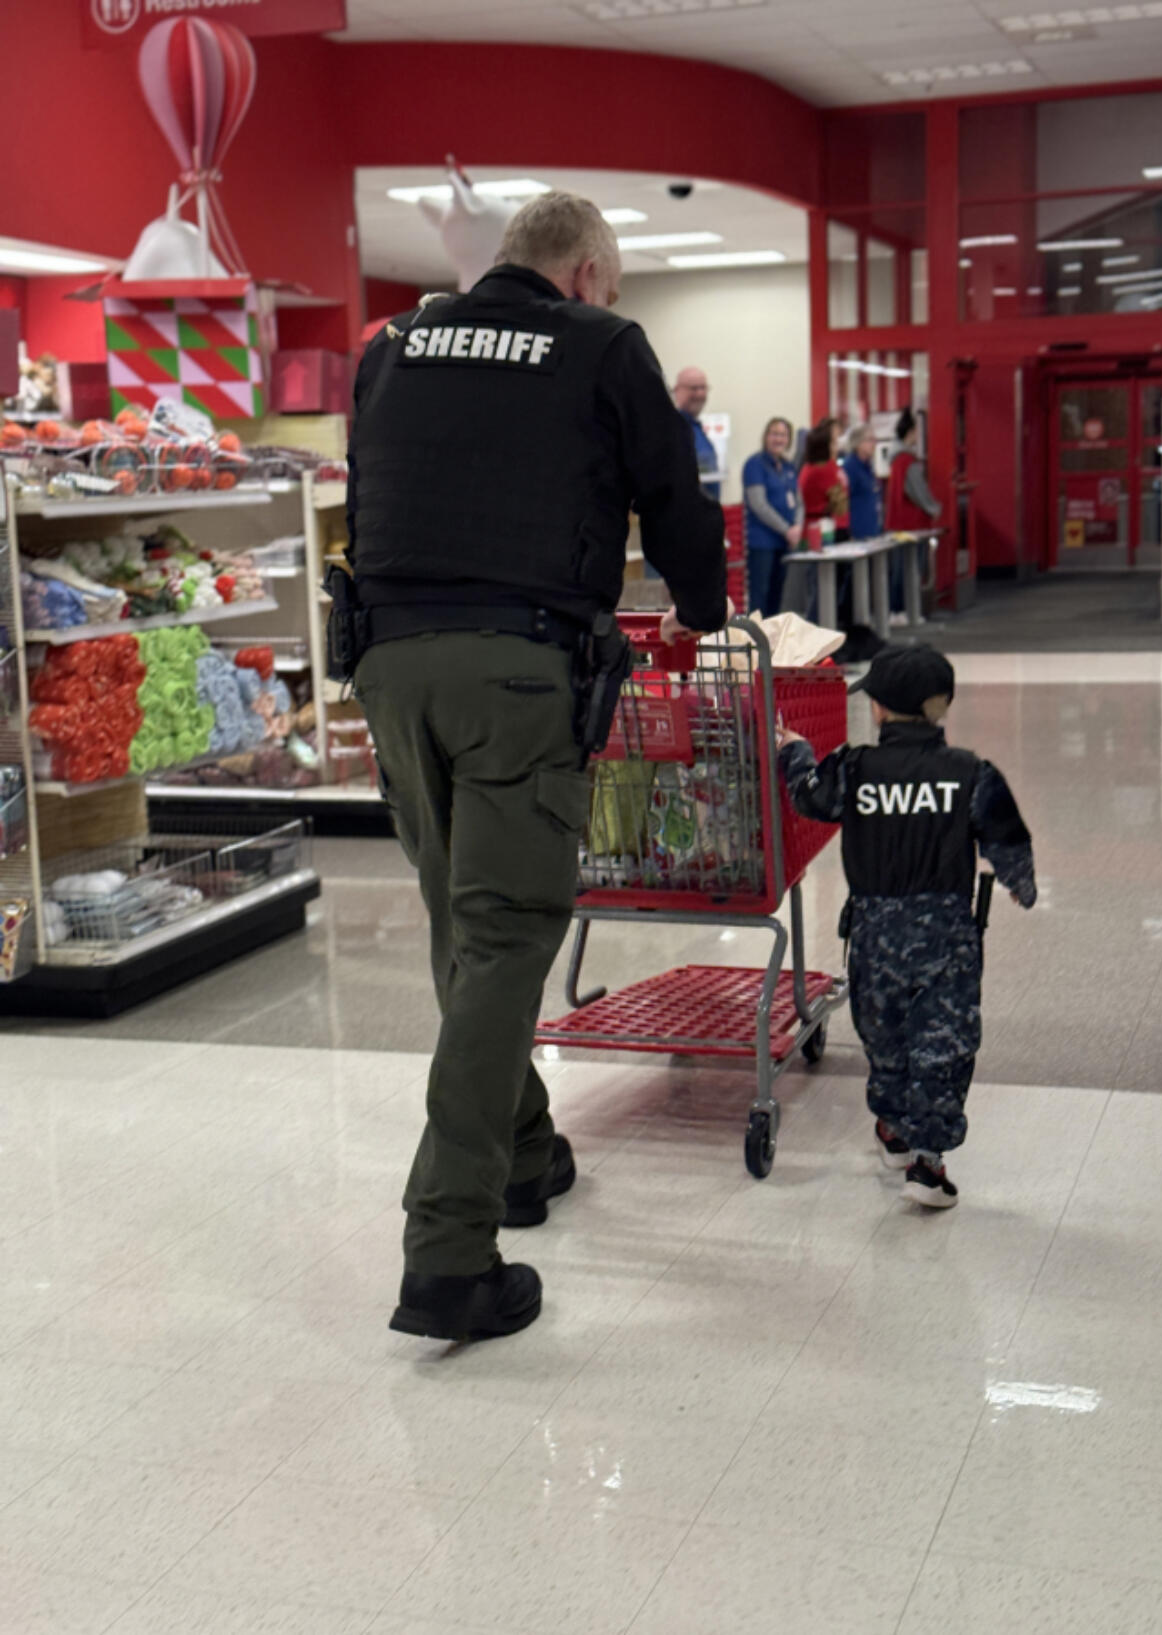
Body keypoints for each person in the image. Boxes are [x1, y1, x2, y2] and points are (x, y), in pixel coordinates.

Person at [346, 192, 729, 1342]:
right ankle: (447, 1253)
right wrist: (703, 615)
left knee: (463, 926)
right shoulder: (601, 344)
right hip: (518, 672)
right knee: (510, 931)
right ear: (587, 273)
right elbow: (672, 500)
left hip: (389, 663)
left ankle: (522, 1155)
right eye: (607, 284)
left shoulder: (395, 346)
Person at [777, 644, 1036, 1208]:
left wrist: (794, 752)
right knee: (944, 1042)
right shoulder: (970, 772)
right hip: (948, 937)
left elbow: (807, 797)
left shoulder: (853, 768)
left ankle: (894, 1127)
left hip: (874, 934)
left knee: (884, 1035)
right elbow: (1006, 834)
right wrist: (1020, 881)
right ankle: (928, 1159)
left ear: (878, 711)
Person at [885, 406, 941, 627]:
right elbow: (918, 492)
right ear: (909, 433)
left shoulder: (895, 460)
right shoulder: (909, 462)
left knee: (898, 569)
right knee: (912, 570)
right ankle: (906, 610)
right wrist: (934, 508)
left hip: (897, 524)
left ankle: (896, 609)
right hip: (912, 524)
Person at [743, 416, 802, 618]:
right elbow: (758, 504)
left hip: (784, 542)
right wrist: (787, 529)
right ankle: (755, 642)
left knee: (777, 597)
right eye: (774, 434)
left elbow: (799, 501)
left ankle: (771, 642)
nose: (779, 439)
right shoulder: (754, 465)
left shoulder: (788, 467)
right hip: (762, 543)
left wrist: (797, 528)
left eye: (783, 435)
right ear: (766, 437)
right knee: (760, 597)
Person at [673, 367, 722, 502]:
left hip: (706, 513)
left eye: (703, 388)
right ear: (677, 391)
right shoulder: (672, 428)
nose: (700, 394)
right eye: (694, 388)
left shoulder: (698, 429)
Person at [799, 420, 849, 539]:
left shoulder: (810, 466)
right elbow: (840, 506)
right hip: (825, 529)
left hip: (820, 527)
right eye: (834, 443)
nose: (837, 447)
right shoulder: (823, 468)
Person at [843, 424, 881, 543]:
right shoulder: (850, 467)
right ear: (858, 443)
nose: (874, 444)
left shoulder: (868, 466)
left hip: (872, 531)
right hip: (857, 534)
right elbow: (844, 501)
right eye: (870, 440)